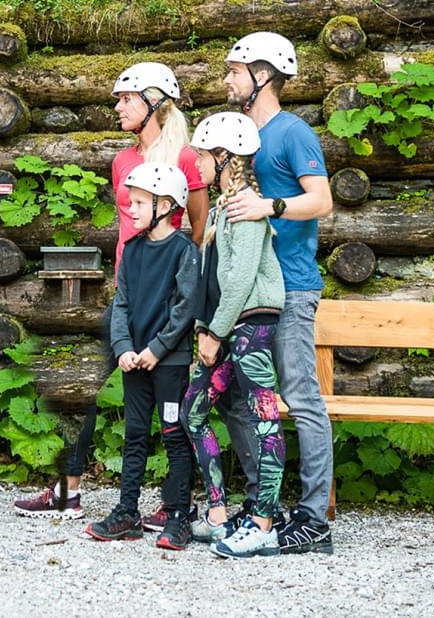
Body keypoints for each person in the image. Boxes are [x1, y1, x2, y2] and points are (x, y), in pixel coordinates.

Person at [14, 62, 209, 522]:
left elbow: (198, 230)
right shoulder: (123, 160)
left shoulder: (185, 157)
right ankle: (69, 490)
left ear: (155, 102)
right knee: (84, 388)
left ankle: (174, 504)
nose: (117, 107)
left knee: (171, 406)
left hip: (170, 303)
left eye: (127, 99)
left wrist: (178, 305)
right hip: (128, 295)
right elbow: (126, 234)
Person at [221, 31, 335, 554]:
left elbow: (322, 201)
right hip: (251, 288)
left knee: (300, 397)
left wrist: (271, 206)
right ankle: (266, 503)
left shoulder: (294, 133)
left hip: (291, 286)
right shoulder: (238, 132)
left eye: (234, 71)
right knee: (239, 399)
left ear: (261, 74)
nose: (225, 80)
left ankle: (314, 519)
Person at [182, 111, 288, 559]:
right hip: (233, 329)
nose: (198, 165)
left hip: (254, 328)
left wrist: (213, 333)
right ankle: (220, 512)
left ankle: (264, 522)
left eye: (204, 156)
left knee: (266, 418)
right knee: (193, 409)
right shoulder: (227, 206)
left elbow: (242, 279)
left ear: (225, 158)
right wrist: (211, 329)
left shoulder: (244, 208)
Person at [84, 163, 200, 550]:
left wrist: (157, 349)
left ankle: (179, 515)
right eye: (129, 202)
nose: (129, 210)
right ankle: (127, 513)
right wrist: (124, 349)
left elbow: (186, 309)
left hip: (169, 362)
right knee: (134, 434)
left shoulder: (185, 251)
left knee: (173, 433)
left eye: (138, 203)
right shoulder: (131, 251)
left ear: (165, 205)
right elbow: (122, 304)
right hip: (134, 361)